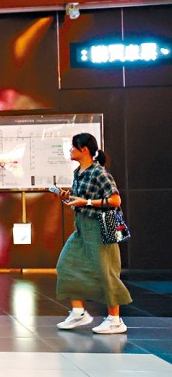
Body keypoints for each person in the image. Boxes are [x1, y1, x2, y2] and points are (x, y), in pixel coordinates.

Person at [54, 133, 133, 334]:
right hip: (82, 226)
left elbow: (115, 200)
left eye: (73, 147)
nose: (70, 150)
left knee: (106, 272)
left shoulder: (99, 173)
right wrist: (67, 197)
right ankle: (78, 312)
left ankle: (115, 320)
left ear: (84, 150)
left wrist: (87, 202)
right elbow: (79, 200)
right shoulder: (78, 173)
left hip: (101, 226)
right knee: (66, 265)